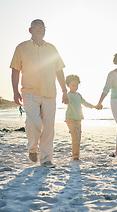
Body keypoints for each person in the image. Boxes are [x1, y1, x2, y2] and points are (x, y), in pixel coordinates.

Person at [10, 19, 69, 168]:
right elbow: (15, 70)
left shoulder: (52, 48)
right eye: (37, 28)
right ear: (30, 30)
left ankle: (46, 158)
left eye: (43, 28)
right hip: (29, 92)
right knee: (33, 122)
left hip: (50, 93)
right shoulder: (21, 48)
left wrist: (64, 91)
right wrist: (15, 91)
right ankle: (32, 148)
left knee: (49, 128)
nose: (40, 30)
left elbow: (59, 70)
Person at [65, 75, 101, 161]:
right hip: (70, 119)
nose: (75, 87)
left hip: (78, 119)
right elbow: (66, 101)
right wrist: (66, 100)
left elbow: (85, 103)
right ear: (68, 85)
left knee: (79, 138)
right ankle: (75, 156)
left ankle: (76, 155)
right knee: (75, 138)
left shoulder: (78, 95)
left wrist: (94, 106)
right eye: (73, 85)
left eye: (76, 85)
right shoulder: (68, 95)